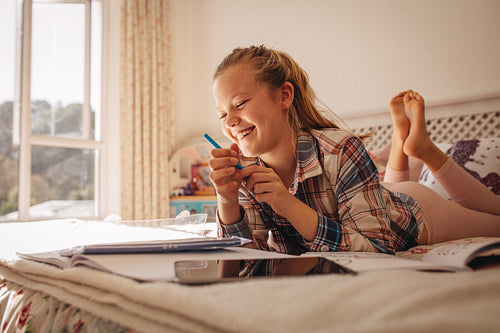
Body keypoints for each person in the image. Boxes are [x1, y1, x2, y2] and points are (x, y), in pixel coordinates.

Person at [208, 45, 500, 258]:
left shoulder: (340, 148)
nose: (230, 121)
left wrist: (289, 205)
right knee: (386, 188)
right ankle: (404, 143)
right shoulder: (245, 172)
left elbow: (376, 248)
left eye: (240, 103)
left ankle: (423, 149)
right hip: (379, 198)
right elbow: (247, 262)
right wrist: (227, 202)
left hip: (416, 212)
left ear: (284, 96)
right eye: (222, 115)